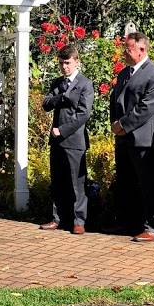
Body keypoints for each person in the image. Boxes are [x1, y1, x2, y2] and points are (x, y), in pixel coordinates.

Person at [109, 32, 154, 242]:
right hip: (123, 137)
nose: (124, 52)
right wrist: (115, 124)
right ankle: (129, 223)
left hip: (144, 138)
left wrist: (123, 125)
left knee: (147, 183)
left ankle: (150, 227)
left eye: (128, 48)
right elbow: (114, 101)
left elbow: (148, 106)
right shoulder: (124, 73)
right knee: (126, 181)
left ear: (142, 50)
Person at [40, 45, 94, 235]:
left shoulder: (85, 84)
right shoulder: (57, 83)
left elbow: (83, 114)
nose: (64, 67)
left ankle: (79, 221)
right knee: (58, 182)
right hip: (56, 142)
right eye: (61, 63)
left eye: (68, 63)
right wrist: (62, 96)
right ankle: (57, 219)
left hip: (74, 140)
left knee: (76, 184)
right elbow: (46, 104)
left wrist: (62, 130)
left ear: (76, 62)